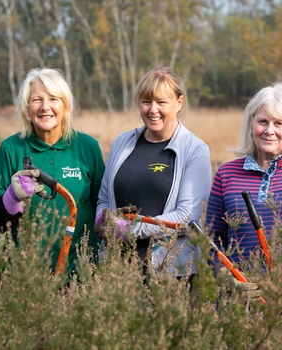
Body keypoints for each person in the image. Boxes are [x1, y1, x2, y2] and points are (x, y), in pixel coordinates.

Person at [0, 67, 105, 275]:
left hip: (80, 272)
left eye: (54, 99)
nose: (45, 107)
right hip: (24, 274)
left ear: (65, 106)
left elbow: (102, 201)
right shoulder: (11, 148)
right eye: (37, 100)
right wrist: (11, 197)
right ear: (26, 108)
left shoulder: (87, 147)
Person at [96, 67, 212, 280]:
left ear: (179, 103)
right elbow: (104, 198)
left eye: (161, 102)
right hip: (117, 269)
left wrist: (130, 230)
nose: (153, 110)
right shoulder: (122, 143)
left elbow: (186, 217)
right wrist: (103, 221)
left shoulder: (195, 150)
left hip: (170, 273)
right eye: (146, 101)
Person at [205, 83, 282, 301]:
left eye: (279, 123)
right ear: (251, 124)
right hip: (238, 303)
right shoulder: (226, 174)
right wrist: (225, 276)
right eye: (263, 122)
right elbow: (212, 241)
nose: (270, 131)